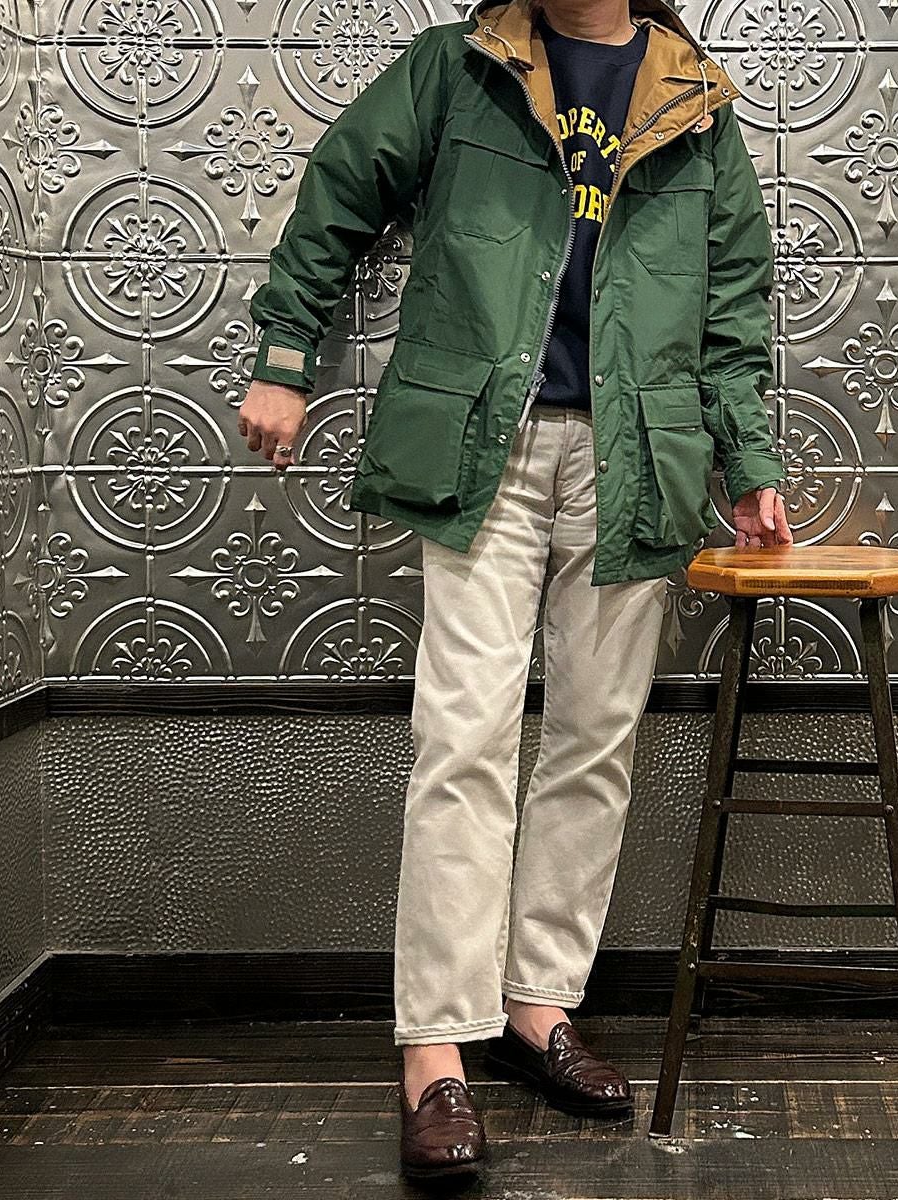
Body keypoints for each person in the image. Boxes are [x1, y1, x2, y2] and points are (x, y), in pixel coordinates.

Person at [239, 0, 793, 1181]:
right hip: (479, 439)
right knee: (464, 739)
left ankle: (539, 1007)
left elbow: (734, 306)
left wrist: (750, 463)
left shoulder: (697, 99)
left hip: (638, 452)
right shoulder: (460, 66)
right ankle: (436, 1050)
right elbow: (338, 191)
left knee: (595, 739)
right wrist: (286, 355)